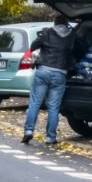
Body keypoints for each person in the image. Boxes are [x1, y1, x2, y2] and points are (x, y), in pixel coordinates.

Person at [22, 14, 78, 146]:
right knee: (53, 107)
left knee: (35, 103)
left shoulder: (47, 32)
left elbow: (34, 45)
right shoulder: (71, 36)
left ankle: (29, 131)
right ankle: (50, 137)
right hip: (60, 74)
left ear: (55, 23)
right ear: (66, 24)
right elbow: (76, 51)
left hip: (43, 71)